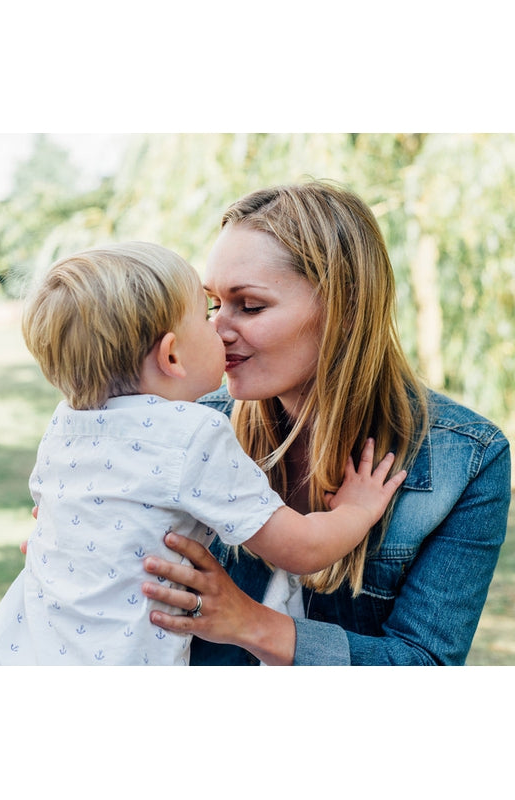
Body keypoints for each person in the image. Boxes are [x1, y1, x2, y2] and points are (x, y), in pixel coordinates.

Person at [0, 241, 406, 665]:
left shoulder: (63, 426)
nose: (220, 328)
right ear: (171, 355)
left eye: (247, 307)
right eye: (206, 315)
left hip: (29, 648)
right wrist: (357, 510)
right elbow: (302, 550)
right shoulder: (192, 435)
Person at [141, 181, 512, 666]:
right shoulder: (189, 424)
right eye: (213, 304)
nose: (216, 331)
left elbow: (426, 663)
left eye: (249, 306)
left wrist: (250, 622)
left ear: (345, 305)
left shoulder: (465, 459)